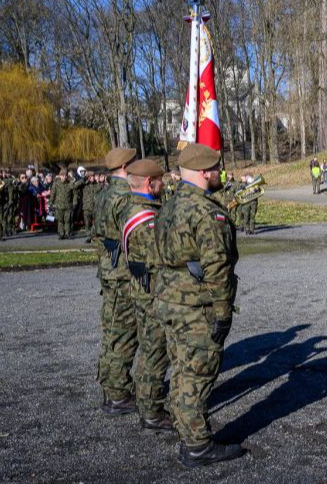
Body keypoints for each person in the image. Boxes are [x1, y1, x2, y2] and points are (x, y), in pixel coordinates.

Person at [152, 143, 245, 467]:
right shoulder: (207, 213)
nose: (219, 173)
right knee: (197, 374)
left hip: (169, 302)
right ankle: (197, 445)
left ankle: (185, 430)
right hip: (196, 306)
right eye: (216, 168)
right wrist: (222, 313)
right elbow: (217, 266)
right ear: (205, 172)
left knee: (180, 369)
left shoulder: (168, 206)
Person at [119, 158, 174, 432]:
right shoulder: (147, 219)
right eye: (160, 180)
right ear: (149, 183)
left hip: (140, 291)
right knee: (155, 352)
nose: (163, 184)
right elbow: (162, 258)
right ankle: (152, 411)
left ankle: (145, 401)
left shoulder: (133, 207)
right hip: (152, 294)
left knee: (148, 349)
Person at [92, 147, 139, 416]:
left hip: (109, 271)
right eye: (133, 163)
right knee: (124, 332)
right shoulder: (124, 197)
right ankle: (118, 394)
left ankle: (112, 388)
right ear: (124, 167)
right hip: (123, 274)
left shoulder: (104, 194)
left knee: (112, 329)